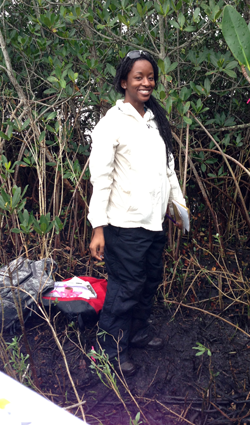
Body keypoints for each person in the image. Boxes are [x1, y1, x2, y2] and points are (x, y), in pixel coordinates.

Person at [88, 49, 186, 376]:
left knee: (149, 282)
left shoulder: (154, 119)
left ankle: (137, 332)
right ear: (123, 82)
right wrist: (98, 228)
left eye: (150, 77)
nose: (146, 83)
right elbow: (100, 179)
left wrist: (177, 207)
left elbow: (167, 169)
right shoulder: (111, 124)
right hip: (124, 225)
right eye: (138, 77)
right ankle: (109, 351)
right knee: (125, 288)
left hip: (154, 222)